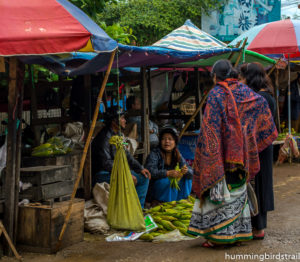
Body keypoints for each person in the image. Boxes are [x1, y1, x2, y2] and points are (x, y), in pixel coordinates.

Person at [188, 60, 278, 247]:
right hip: (242, 156)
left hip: (221, 156)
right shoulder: (247, 93)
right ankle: (240, 233)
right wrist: (247, 140)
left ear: (215, 76)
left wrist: (211, 154)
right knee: (238, 192)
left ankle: (219, 238)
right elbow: (261, 108)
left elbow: (210, 128)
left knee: (220, 193)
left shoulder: (216, 94)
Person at [239, 62, 276, 240]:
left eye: (243, 77)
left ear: (250, 78)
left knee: (256, 185)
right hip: (264, 147)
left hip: (257, 148)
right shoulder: (268, 95)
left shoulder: (260, 98)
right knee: (259, 184)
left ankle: (258, 228)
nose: (241, 81)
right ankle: (257, 226)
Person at [91, 106, 151, 208]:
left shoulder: (118, 134)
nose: (125, 121)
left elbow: (126, 154)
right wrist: (125, 174)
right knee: (131, 179)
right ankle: (128, 209)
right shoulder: (104, 137)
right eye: (122, 118)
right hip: (103, 174)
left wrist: (140, 168)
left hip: (115, 171)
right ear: (114, 121)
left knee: (144, 177)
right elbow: (106, 163)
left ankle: (138, 209)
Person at [145, 127, 193, 202]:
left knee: (187, 178)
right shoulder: (155, 153)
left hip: (172, 190)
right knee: (169, 181)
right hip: (155, 189)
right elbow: (149, 171)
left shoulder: (177, 154)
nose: (167, 141)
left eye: (170, 139)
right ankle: (166, 203)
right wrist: (167, 173)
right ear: (160, 141)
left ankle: (182, 200)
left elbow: (191, 172)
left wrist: (186, 171)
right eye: (164, 139)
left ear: (175, 142)